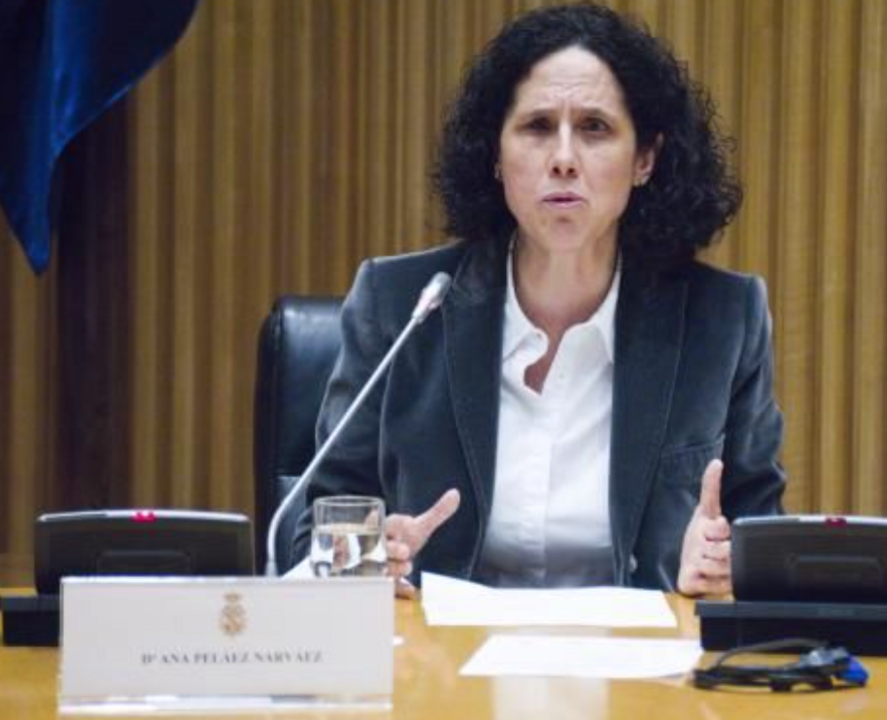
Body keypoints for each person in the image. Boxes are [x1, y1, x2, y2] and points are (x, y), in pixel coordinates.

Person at [292, 3, 785, 597]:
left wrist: (724, 567)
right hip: (441, 674)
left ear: (645, 159)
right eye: (537, 126)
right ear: (496, 157)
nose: (564, 158)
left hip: (642, 677)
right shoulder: (400, 307)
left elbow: (762, 536)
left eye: (596, 128)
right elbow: (311, 534)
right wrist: (369, 562)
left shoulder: (720, 321)